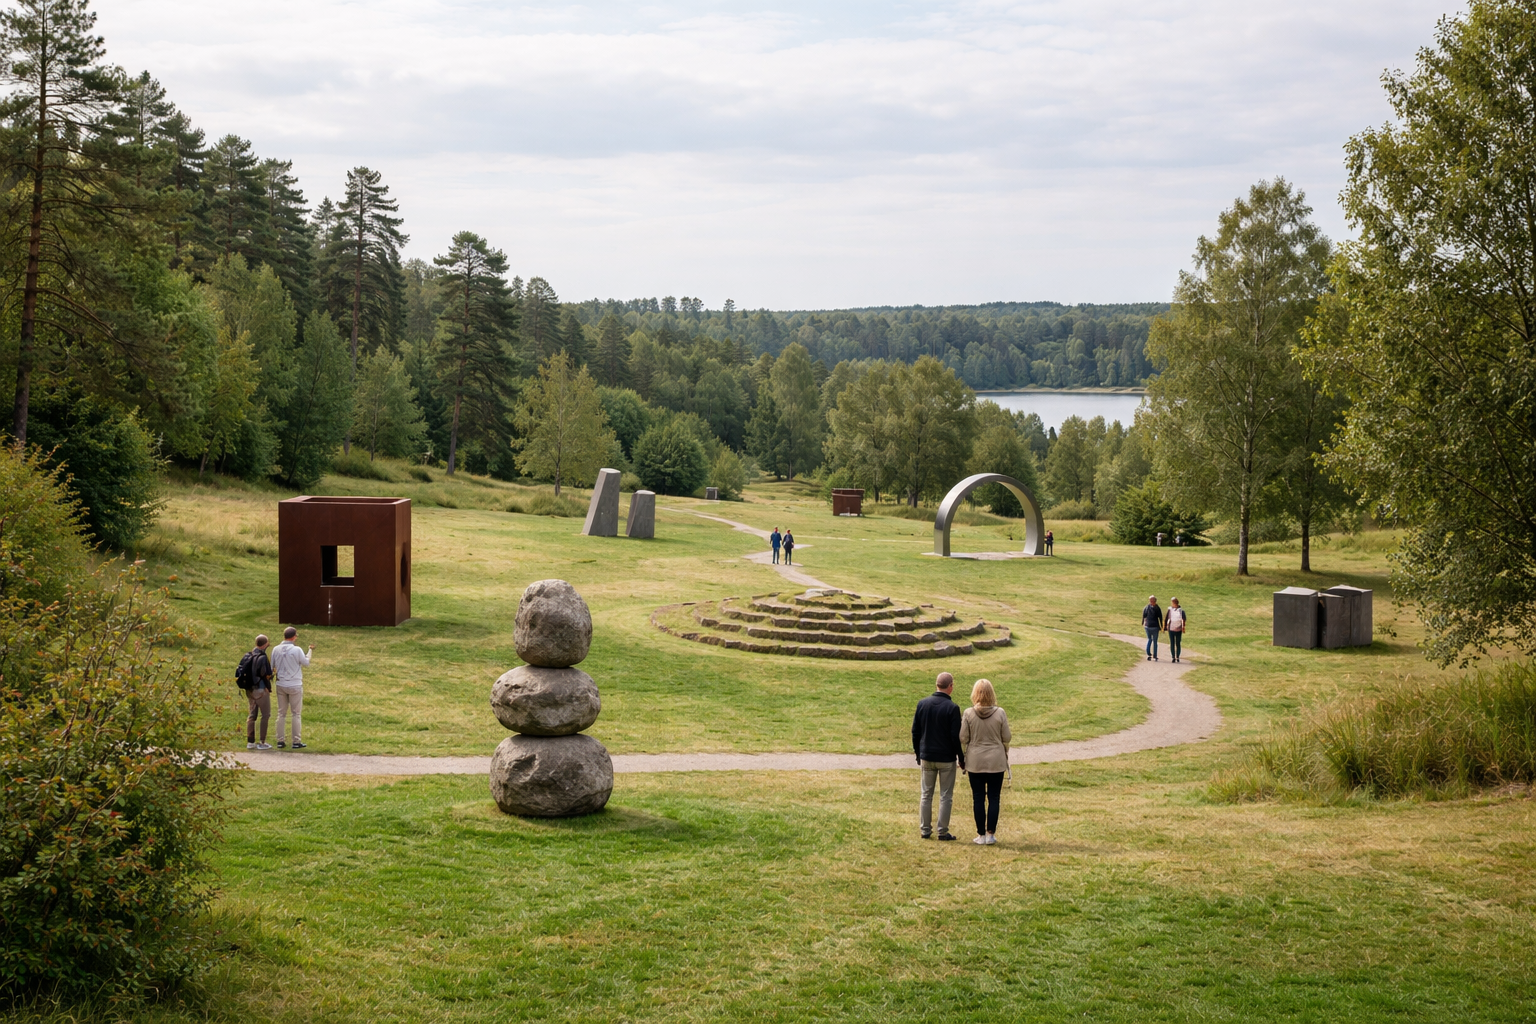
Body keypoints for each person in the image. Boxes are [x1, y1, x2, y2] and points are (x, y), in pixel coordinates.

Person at [911, 672, 964, 841]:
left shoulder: (923, 704)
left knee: (926, 793)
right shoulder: (952, 708)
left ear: (936, 685)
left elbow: (915, 732)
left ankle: (925, 829)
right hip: (946, 758)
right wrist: (961, 758)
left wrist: (918, 754)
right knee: (945, 795)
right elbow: (956, 737)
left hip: (927, 755)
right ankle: (942, 830)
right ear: (950, 687)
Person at [960, 679, 1011, 845]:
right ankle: (991, 834)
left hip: (976, 760)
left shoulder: (968, 713)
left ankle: (981, 834)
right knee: (994, 797)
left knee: (978, 798)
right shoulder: (1000, 713)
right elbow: (1007, 737)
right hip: (996, 760)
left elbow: (963, 737)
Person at [270, 626, 314, 749]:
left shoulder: (276, 649)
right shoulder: (297, 649)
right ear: (294, 636)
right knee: (296, 713)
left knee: (281, 713)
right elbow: (306, 663)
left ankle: (280, 740)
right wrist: (310, 651)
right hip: (295, 684)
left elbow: (271, 666)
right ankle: (296, 741)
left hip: (281, 684)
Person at [243, 634, 274, 750]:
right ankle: (262, 742)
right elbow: (266, 674)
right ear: (265, 644)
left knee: (252, 716)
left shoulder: (249, 655)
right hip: (261, 690)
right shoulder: (263, 657)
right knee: (265, 715)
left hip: (250, 690)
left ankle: (250, 742)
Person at [1141, 594, 1164, 662]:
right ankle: (1155, 655)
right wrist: (1161, 627)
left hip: (1147, 626)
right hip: (1155, 626)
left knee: (1149, 639)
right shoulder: (1157, 608)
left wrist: (1143, 623)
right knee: (1155, 641)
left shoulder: (1146, 607)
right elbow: (1160, 617)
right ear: (1155, 601)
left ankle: (1148, 653)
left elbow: (1144, 615)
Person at [1166, 597, 1187, 663]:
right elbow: (1184, 619)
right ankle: (1176, 656)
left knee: (1174, 643)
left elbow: (1167, 618)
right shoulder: (1180, 611)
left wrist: (1166, 627)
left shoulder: (1178, 611)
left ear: (1174, 603)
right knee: (1176, 643)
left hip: (1174, 629)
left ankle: (1175, 656)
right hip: (1176, 629)